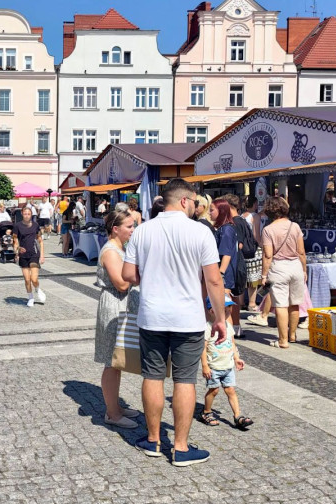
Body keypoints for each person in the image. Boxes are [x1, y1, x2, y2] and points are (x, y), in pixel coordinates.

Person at [122, 178, 226, 467]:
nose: (196, 207)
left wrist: (152, 279)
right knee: (184, 380)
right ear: (183, 201)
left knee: (152, 376)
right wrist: (220, 319)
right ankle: (180, 448)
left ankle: (153, 440)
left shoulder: (142, 231)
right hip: (187, 318)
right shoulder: (200, 232)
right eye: (194, 202)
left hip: (152, 315)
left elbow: (129, 274)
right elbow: (214, 279)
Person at [95, 210, 141, 428]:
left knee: (118, 360)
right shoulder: (111, 251)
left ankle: (116, 407)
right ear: (115, 229)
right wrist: (137, 274)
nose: (133, 230)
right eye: (129, 226)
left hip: (121, 305)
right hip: (114, 305)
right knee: (111, 361)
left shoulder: (120, 248)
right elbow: (121, 284)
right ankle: (112, 413)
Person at [258, 197, 307, 349]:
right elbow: (301, 252)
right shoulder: (295, 226)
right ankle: (292, 335)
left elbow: (267, 255)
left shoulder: (268, 230)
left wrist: (264, 275)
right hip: (295, 266)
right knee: (294, 303)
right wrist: (304, 270)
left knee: (280, 305)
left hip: (278, 268)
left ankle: (283, 340)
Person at [199, 296, 253, 429]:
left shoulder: (228, 326)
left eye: (229, 307)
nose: (229, 310)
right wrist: (205, 365)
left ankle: (238, 416)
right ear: (212, 310)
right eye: (225, 308)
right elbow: (203, 348)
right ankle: (206, 412)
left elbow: (232, 344)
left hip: (228, 366)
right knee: (214, 390)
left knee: (231, 390)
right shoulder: (207, 328)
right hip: (214, 367)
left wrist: (236, 358)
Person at [211, 199, 244, 338]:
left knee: (224, 308)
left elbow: (226, 254)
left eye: (212, 210)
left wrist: (220, 273)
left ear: (221, 211)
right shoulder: (225, 228)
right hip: (225, 274)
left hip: (225, 275)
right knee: (223, 307)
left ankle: (228, 339)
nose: (210, 213)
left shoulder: (226, 230)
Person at [14, 206, 45, 307]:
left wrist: (42, 255)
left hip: (34, 253)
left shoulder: (35, 225)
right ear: (22, 214)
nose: (27, 215)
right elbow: (15, 241)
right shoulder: (17, 226)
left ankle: (37, 289)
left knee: (34, 279)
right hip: (23, 255)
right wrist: (17, 250)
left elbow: (40, 240)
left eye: (29, 214)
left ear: (31, 215)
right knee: (27, 279)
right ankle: (30, 297)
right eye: (25, 213)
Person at [241, 195, 265, 314]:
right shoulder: (255, 216)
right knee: (253, 278)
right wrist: (262, 245)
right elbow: (256, 235)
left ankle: (241, 302)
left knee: (244, 277)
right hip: (254, 249)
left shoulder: (241, 216)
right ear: (254, 204)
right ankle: (252, 303)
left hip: (243, 249)